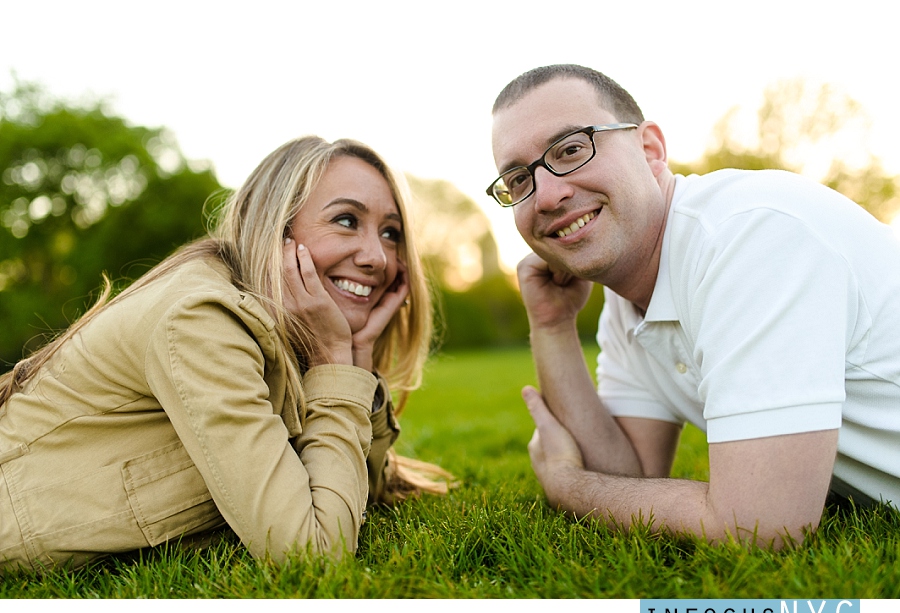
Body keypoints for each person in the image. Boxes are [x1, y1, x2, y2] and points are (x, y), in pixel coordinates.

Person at [486, 64, 900, 549]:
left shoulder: (750, 237)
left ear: (650, 150)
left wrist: (565, 484)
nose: (548, 195)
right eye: (517, 179)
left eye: (572, 149)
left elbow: (763, 526)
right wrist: (552, 325)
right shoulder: (628, 299)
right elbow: (629, 475)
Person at [0, 136, 451, 572]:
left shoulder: (286, 336)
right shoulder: (202, 320)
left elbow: (358, 494)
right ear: (275, 227)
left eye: (391, 233)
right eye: (347, 220)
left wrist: (358, 356)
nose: (378, 257)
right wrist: (336, 359)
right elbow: (314, 555)